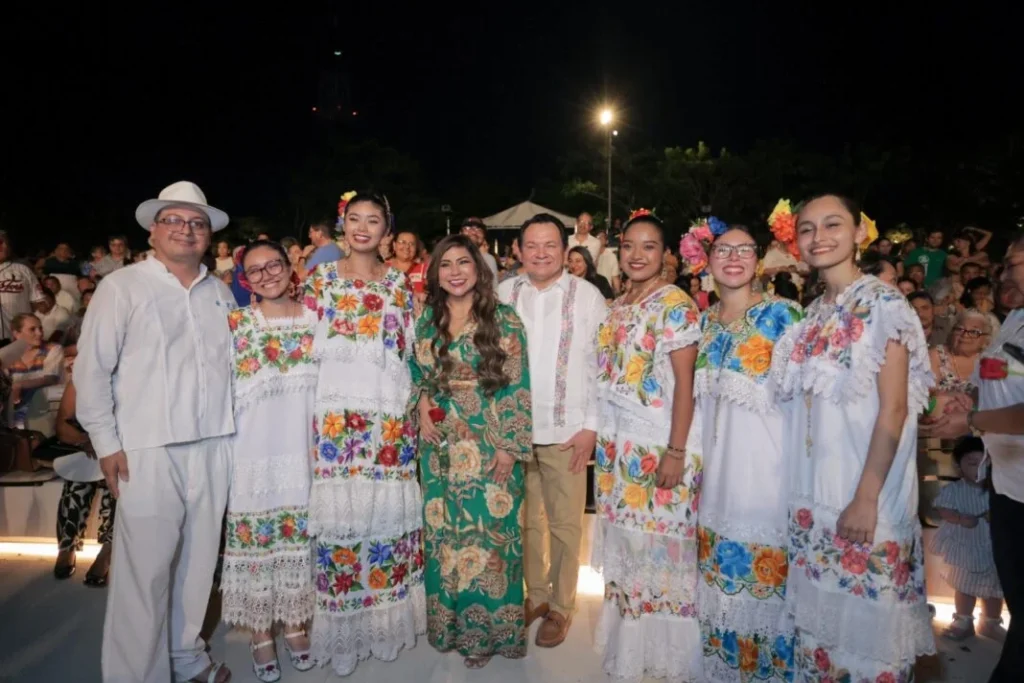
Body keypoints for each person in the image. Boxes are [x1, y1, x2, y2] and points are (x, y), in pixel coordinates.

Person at [75, 180, 236, 683]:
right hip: (145, 449)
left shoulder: (221, 292)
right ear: (152, 229)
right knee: (143, 575)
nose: (186, 230)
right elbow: (92, 371)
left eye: (197, 223)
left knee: (196, 567)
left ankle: (186, 658)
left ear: (208, 236)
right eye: (175, 220)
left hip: (214, 444)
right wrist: (107, 443)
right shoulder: (122, 287)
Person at [773, 194, 935, 682]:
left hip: (864, 498)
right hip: (814, 496)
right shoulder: (813, 313)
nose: (818, 236)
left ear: (860, 233)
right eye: (807, 228)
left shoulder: (885, 304)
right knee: (822, 646)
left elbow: (895, 408)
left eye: (832, 224)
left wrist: (866, 497)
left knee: (867, 649)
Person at [302, 191, 425, 675]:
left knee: (383, 518)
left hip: (389, 417)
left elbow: (411, 354)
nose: (363, 228)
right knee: (342, 522)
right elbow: (303, 347)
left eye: (373, 221)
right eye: (355, 219)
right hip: (336, 417)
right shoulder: (320, 280)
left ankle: (387, 625)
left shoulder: (399, 284)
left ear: (386, 231)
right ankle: (346, 632)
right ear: (342, 224)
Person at [410, 234, 533, 668]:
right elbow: (416, 371)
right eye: (446, 264)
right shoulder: (426, 320)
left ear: (479, 271)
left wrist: (508, 448)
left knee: (489, 538)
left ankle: (487, 634)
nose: (456, 271)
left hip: (488, 440)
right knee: (446, 536)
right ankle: (449, 627)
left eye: (464, 263)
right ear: (436, 272)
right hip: (440, 444)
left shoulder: (504, 319)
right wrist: (422, 401)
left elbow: (517, 384)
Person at [591, 210, 703, 682]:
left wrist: (675, 454)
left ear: (666, 255)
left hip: (659, 446)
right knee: (629, 551)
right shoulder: (619, 304)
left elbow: (685, 386)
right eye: (630, 245)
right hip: (619, 450)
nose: (638, 254)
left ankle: (665, 662)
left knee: (659, 556)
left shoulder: (675, 305)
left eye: (649, 246)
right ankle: (630, 652)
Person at [695, 226, 802, 682]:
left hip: (768, 481)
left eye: (745, 250)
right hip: (714, 484)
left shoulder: (786, 316)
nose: (734, 257)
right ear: (707, 260)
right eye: (723, 249)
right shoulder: (701, 323)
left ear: (759, 259)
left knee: (767, 593)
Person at [497, 213, 607, 648]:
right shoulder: (504, 293)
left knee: (565, 525)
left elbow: (601, 366)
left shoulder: (588, 297)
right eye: (532, 245)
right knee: (525, 522)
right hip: (515, 431)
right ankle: (536, 596)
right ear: (519, 251)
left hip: (568, 431)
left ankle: (561, 607)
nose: (541, 253)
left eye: (550, 245)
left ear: (566, 251)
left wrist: (591, 428)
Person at [923, 231, 1024, 681]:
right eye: (1005, 265)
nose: (1004, 274)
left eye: (1015, 264)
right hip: (1008, 484)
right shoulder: (1015, 318)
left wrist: (973, 421)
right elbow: (1004, 379)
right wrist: (971, 402)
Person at [222, 241, 318, 682]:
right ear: (245, 279)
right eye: (255, 271)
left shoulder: (317, 320)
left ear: (289, 267)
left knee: (298, 541)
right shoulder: (236, 325)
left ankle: (296, 625)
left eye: (273, 265)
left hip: (302, 450)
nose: (266, 275)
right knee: (258, 544)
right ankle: (261, 634)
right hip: (253, 453)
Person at [930, 437, 1006, 641]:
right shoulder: (955, 490)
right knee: (964, 586)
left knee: (994, 588)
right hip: (967, 548)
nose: (979, 469)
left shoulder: (999, 489)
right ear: (959, 466)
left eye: (986, 464)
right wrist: (958, 518)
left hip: (994, 547)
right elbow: (942, 508)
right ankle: (963, 619)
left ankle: (990, 621)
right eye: (972, 464)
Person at [52, 379, 115, 586]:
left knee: (115, 483)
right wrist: (87, 440)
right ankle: (67, 546)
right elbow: (62, 426)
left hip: (117, 449)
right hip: (85, 448)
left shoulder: (130, 374)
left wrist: (106, 444)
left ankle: (108, 550)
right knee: (77, 483)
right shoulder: (79, 379)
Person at [0, 230, 46, 343]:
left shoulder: (22, 270)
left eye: (7, 243)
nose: (5, 246)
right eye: (1, 242)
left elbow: (38, 303)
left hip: (19, 338)